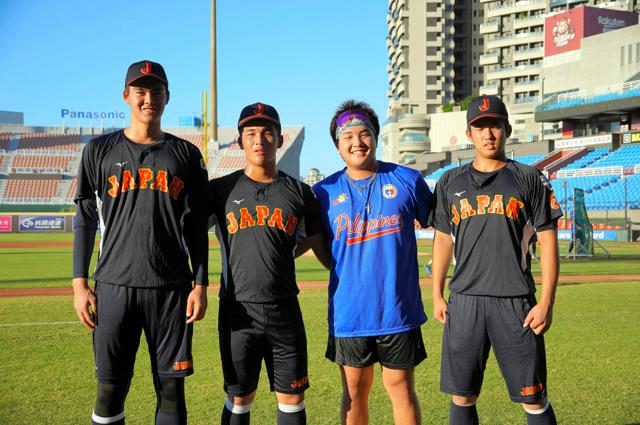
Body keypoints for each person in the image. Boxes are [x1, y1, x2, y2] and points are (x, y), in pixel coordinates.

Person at [72, 60, 209, 425]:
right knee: (110, 389)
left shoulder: (186, 155)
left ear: (167, 97)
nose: (149, 99)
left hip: (172, 290)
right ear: (126, 96)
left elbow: (196, 226)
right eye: (141, 92)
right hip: (114, 286)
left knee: (171, 389)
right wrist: (79, 284)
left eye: (156, 91)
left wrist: (200, 284)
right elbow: (85, 219)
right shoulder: (99, 150)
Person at [430, 95, 563, 425]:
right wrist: (436, 293)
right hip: (465, 302)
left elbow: (547, 240)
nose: (488, 134)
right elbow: (443, 239)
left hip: (515, 302)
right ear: (469, 133)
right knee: (462, 395)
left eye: (495, 126)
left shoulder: (529, 178)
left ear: (508, 129)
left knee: (533, 396)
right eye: (480, 127)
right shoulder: (450, 181)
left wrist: (546, 301)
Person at [312, 100, 433, 425]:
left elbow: (443, 225)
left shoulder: (407, 179)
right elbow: (318, 245)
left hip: (398, 311)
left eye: (364, 134)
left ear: (376, 138)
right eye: (347, 136)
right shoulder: (323, 192)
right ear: (337, 146)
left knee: (401, 389)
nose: (357, 142)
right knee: (353, 392)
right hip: (349, 314)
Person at [207, 102, 326, 425]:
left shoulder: (300, 193)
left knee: (292, 397)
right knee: (239, 397)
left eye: (267, 133)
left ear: (280, 139)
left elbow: (318, 247)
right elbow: (186, 232)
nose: (260, 140)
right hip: (237, 310)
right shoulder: (220, 190)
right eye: (251, 133)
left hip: (284, 309)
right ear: (241, 141)